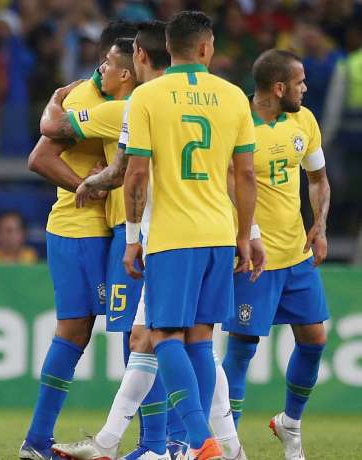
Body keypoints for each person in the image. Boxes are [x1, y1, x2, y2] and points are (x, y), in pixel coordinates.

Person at [120, 11, 263, 460]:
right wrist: (246, 234)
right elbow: (245, 175)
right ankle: (197, 444)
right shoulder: (234, 96)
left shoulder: (147, 96)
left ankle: (200, 441)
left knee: (165, 336)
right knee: (201, 337)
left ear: (169, 46)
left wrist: (132, 236)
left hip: (171, 235)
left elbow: (136, 174)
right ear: (205, 48)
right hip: (219, 232)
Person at [19, 20, 137, 460]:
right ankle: (37, 439)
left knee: (130, 330)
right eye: (103, 61)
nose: (101, 68)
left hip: (109, 229)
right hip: (80, 226)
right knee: (79, 330)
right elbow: (38, 157)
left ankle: (152, 442)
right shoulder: (85, 97)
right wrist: (89, 187)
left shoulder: (127, 101)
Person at [221, 49, 331, 460]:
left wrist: (319, 225)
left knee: (315, 339)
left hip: (296, 253)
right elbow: (229, 182)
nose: (306, 88)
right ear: (279, 87)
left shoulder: (304, 120)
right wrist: (248, 234)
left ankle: (290, 424)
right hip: (254, 257)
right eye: (300, 82)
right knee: (242, 346)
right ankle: (227, 444)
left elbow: (318, 179)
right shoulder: (238, 122)